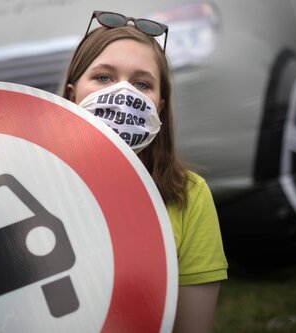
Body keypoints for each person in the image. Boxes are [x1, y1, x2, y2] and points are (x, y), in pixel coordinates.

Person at [62, 11, 228, 333]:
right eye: (104, 78)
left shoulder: (189, 196)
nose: (123, 95)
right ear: (72, 94)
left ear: (159, 108)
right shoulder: (34, 176)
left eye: (142, 84)